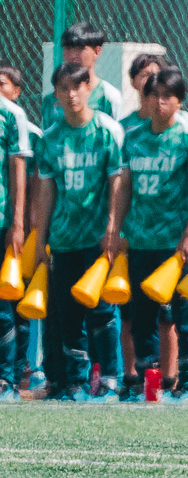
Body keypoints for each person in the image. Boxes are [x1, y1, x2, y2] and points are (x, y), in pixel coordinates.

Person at [29, 63, 124, 399]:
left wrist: (113, 226)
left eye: (77, 87)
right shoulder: (51, 138)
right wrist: (41, 239)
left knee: (101, 310)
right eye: (63, 89)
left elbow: (117, 181)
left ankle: (111, 378)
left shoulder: (107, 131)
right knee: (67, 314)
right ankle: (76, 381)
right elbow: (46, 190)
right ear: (55, 93)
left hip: (98, 236)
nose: (71, 95)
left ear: (88, 88)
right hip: (64, 238)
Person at [116, 68, 188, 398]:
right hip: (141, 239)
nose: (159, 102)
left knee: (184, 314)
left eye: (167, 96)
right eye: (153, 95)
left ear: (180, 101)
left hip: (175, 243)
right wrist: (116, 228)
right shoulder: (133, 136)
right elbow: (124, 186)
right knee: (142, 316)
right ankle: (149, 381)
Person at [0, 64, 36, 396]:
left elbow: (18, 167)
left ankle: (7, 376)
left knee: (5, 303)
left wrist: (18, 223)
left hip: (3, 223)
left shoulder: (12, 116)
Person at [38, 23, 120, 128]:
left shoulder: (109, 97)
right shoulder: (50, 100)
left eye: (80, 48)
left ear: (97, 51)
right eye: (68, 48)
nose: (72, 55)